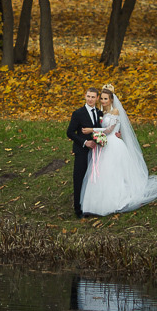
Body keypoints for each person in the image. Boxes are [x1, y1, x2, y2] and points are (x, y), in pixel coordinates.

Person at [80, 85, 157, 216]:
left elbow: (109, 130)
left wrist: (92, 130)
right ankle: (96, 203)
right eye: (101, 98)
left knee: (114, 172)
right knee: (102, 172)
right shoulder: (102, 113)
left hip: (113, 145)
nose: (103, 101)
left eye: (105, 99)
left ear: (111, 100)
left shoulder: (115, 112)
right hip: (104, 145)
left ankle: (116, 199)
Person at [65, 86, 103, 218]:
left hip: (97, 152)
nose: (90, 99)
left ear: (97, 98)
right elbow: (69, 132)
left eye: (93, 97)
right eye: (88, 96)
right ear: (85, 96)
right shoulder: (78, 113)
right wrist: (84, 142)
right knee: (79, 178)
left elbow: (103, 129)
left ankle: (91, 205)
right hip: (82, 150)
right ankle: (78, 208)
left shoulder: (99, 113)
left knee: (93, 179)